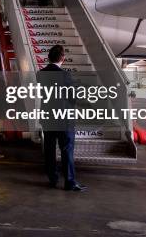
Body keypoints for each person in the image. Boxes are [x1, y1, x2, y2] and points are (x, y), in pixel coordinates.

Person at [40, 45, 87, 192]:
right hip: (64, 119)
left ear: (49, 57)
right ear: (62, 58)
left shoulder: (40, 73)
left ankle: (52, 179)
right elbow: (72, 97)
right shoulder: (65, 75)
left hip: (48, 117)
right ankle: (70, 182)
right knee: (66, 149)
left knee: (49, 149)